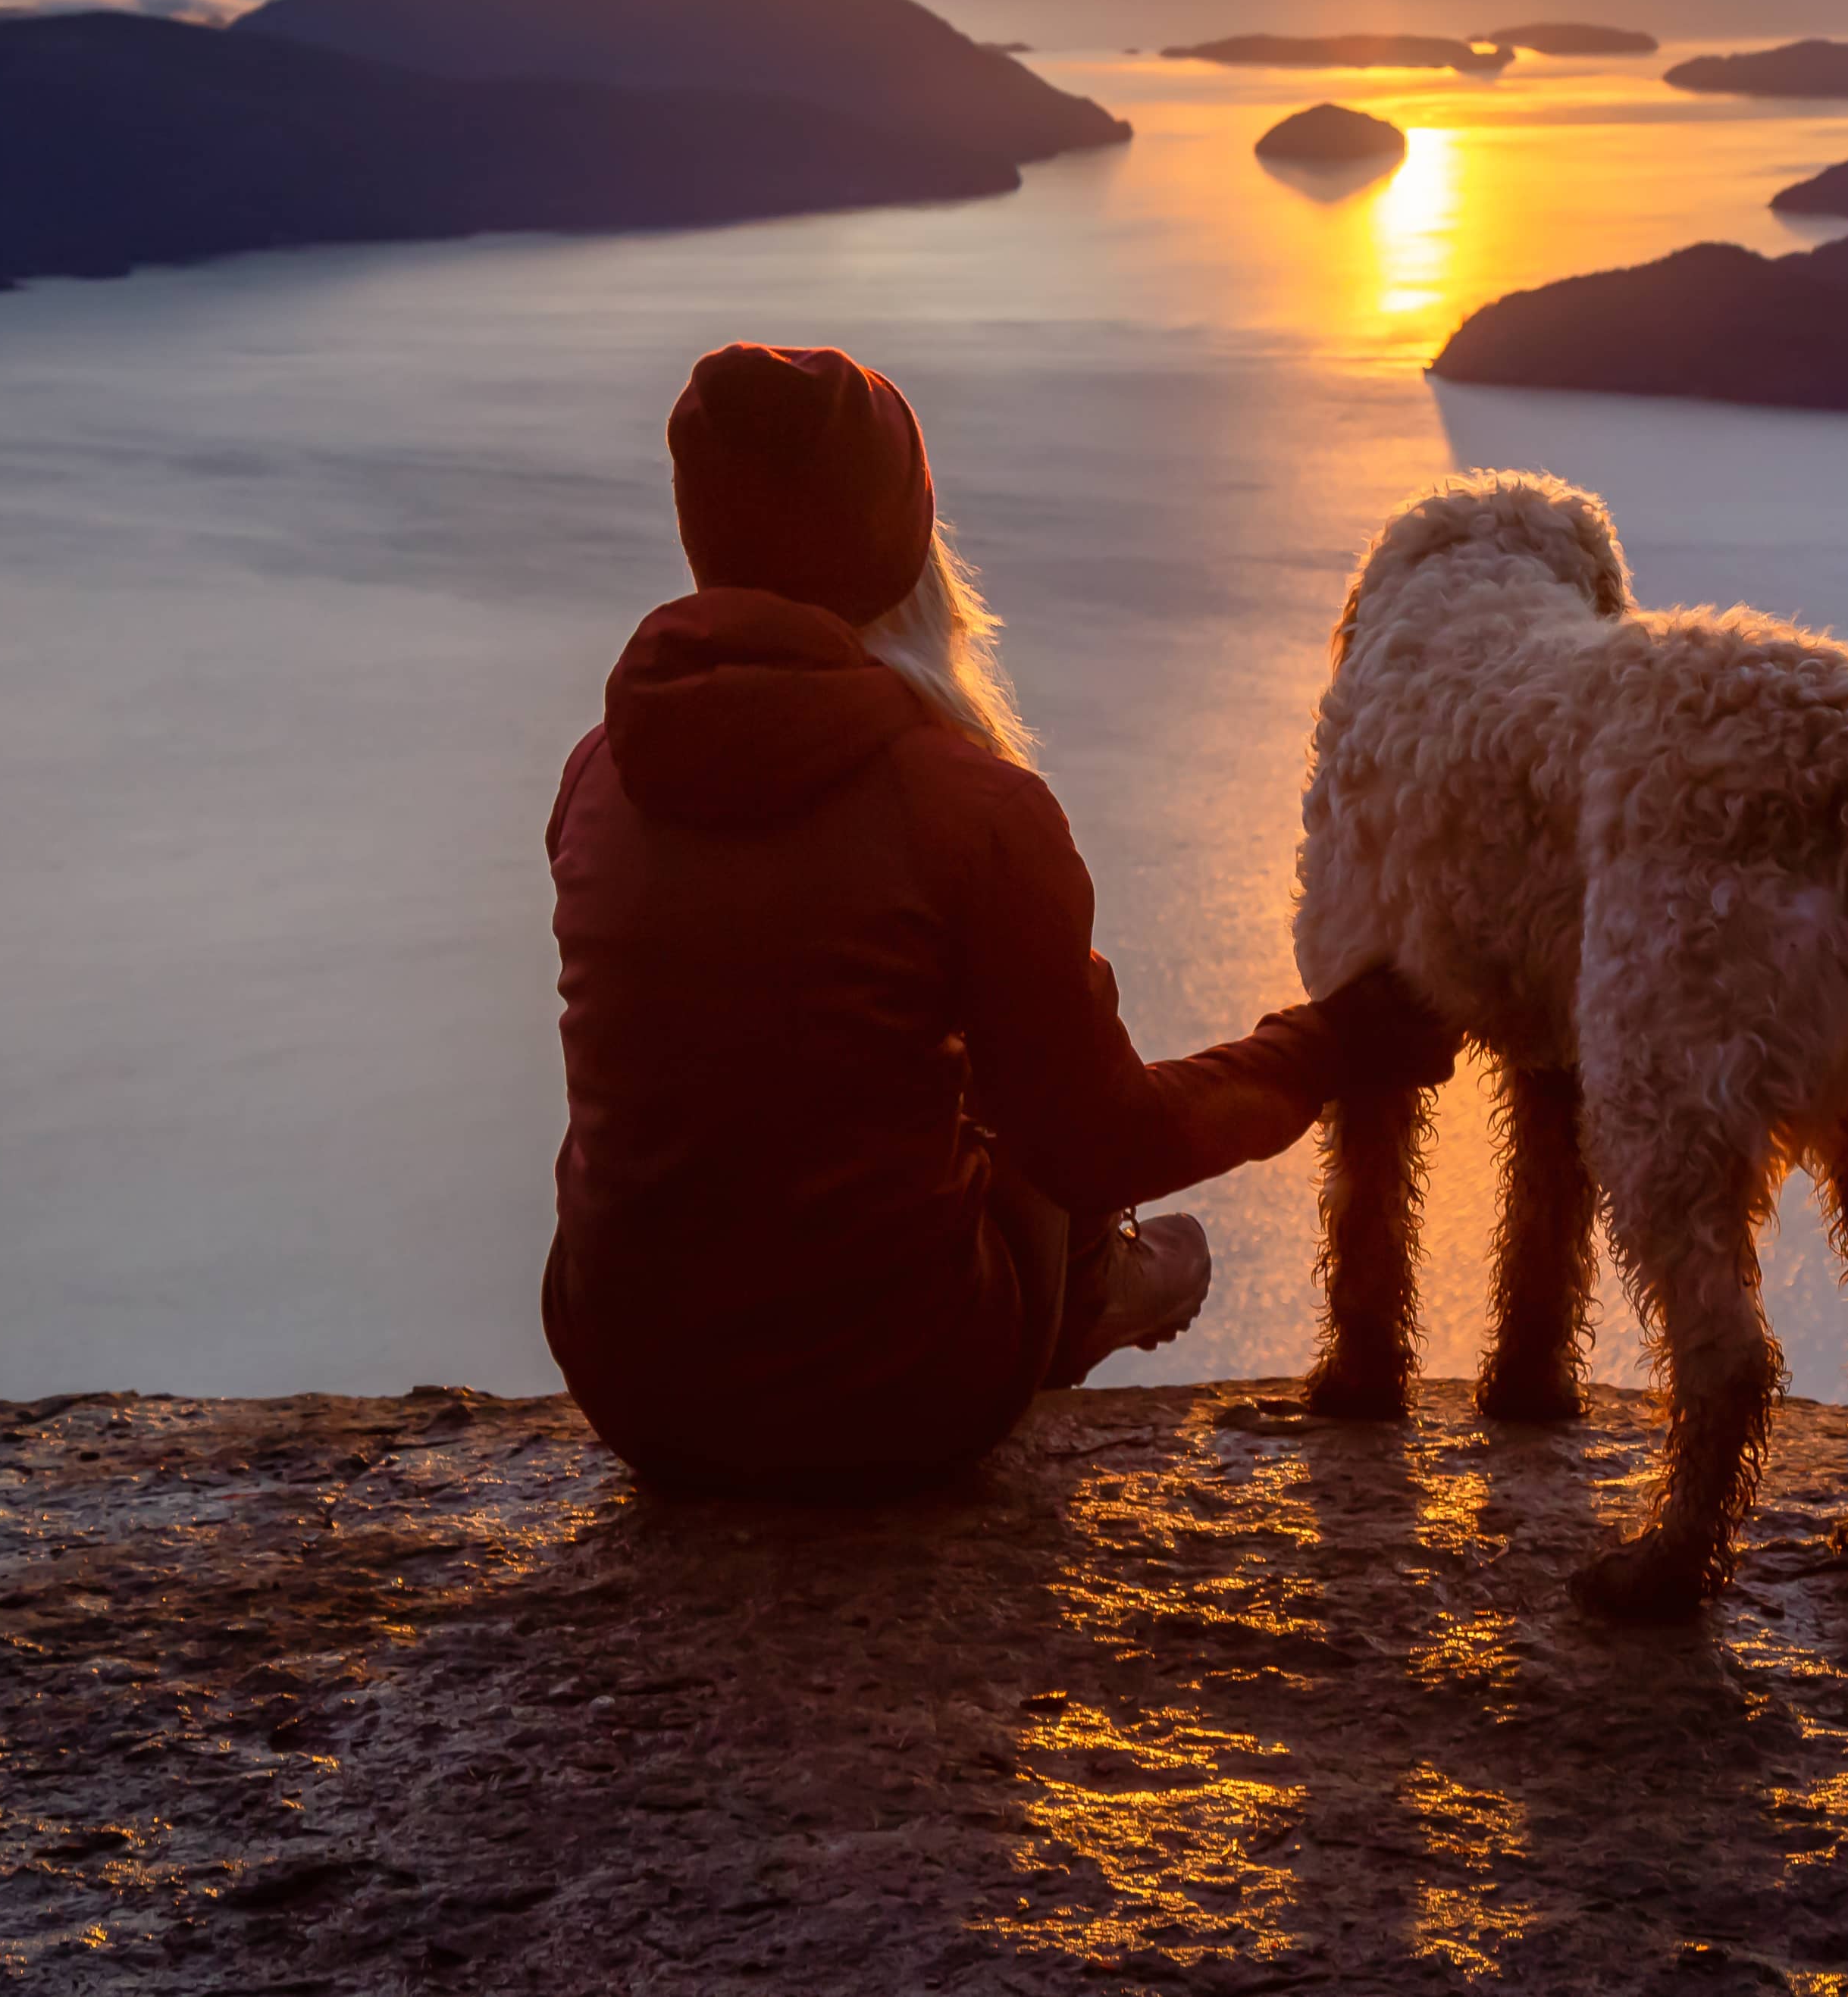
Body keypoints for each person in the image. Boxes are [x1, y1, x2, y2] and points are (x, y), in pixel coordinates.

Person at [540, 341, 1455, 1498]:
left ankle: (1077, 1280)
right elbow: (1096, 1142)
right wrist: (1323, 1046)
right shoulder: (971, 807)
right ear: (901, 536)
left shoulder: (597, 772)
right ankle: (1091, 1293)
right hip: (895, 1399)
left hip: (632, 1388)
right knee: (1048, 1027)